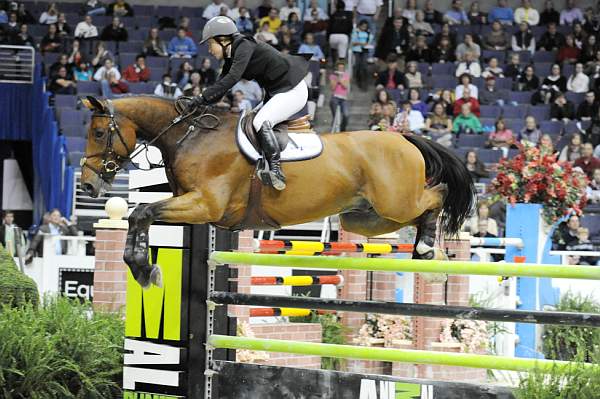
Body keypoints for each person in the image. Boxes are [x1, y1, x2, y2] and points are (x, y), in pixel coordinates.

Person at [185, 16, 309, 191]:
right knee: (247, 123)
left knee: (259, 123)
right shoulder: (232, 55)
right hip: (276, 92)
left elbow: (232, 78)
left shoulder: (244, 45)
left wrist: (201, 97)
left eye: (210, 44)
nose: (209, 50)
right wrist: (199, 104)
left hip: (292, 89)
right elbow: (221, 86)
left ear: (223, 40)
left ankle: (276, 170)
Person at [352, 20, 374, 89]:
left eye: (365, 27)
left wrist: (366, 44)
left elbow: (370, 40)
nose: (364, 28)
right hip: (357, 50)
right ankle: (357, 79)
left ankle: (364, 81)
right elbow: (353, 42)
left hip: (365, 50)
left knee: (364, 66)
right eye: (363, 26)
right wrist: (361, 43)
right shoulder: (356, 32)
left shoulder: (368, 33)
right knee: (357, 64)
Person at [329, 60, 350, 131]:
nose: (341, 69)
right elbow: (332, 88)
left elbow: (346, 86)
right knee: (336, 116)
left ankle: (342, 129)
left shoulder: (346, 75)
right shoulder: (332, 76)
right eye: (339, 68)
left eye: (342, 68)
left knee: (346, 115)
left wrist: (340, 80)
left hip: (344, 98)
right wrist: (337, 79)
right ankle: (334, 127)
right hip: (335, 97)